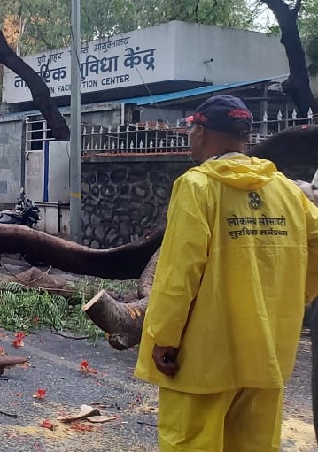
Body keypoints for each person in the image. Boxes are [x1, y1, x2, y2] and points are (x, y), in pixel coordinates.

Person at [135, 94, 318, 451]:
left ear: (201, 133)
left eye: (191, 130)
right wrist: (297, 299)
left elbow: (179, 273)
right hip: (267, 353)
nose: (189, 137)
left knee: (189, 442)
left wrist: (164, 336)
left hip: (204, 359)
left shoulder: (198, 186)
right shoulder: (286, 191)